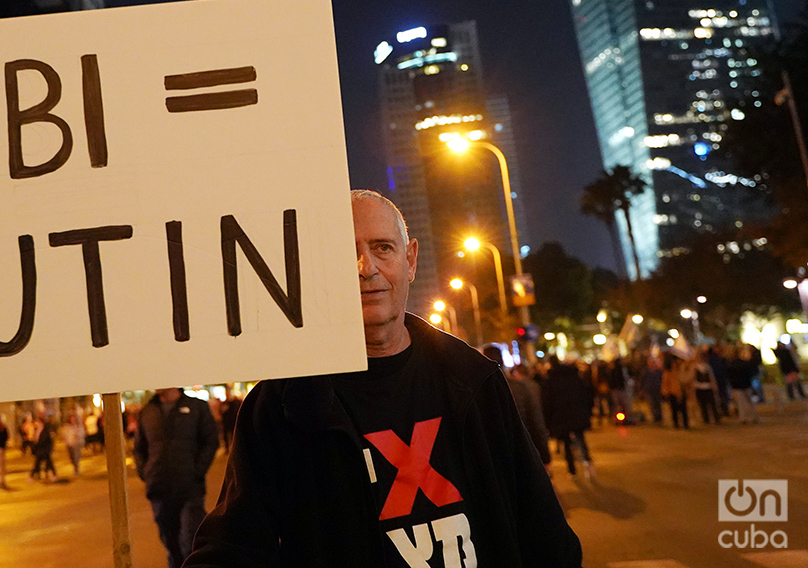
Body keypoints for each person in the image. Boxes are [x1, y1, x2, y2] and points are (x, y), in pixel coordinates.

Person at [186, 190, 581, 567]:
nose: (366, 267)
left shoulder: (473, 380)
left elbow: (542, 531)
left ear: (410, 260)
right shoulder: (280, 405)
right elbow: (233, 548)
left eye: (382, 248)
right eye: (345, 252)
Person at [135, 388, 219, 568]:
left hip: (190, 487)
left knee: (192, 538)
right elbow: (139, 448)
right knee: (170, 542)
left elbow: (210, 440)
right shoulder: (148, 411)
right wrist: (146, 472)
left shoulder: (196, 407)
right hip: (159, 487)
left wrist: (197, 470)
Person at [483, 346, 551, 470]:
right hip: (520, 452)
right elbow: (536, 423)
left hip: (490, 461)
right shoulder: (519, 388)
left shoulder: (471, 394)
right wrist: (544, 456)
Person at [541, 357, 595, 479]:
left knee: (566, 443)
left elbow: (547, 403)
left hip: (561, 416)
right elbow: (587, 394)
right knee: (580, 438)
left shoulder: (551, 381)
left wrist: (548, 421)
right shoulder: (576, 378)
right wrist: (588, 411)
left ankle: (572, 470)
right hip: (577, 414)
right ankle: (587, 462)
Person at [691, 349, 721, 425]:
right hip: (699, 387)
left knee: (712, 403)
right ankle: (706, 419)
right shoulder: (694, 367)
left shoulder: (707, 366)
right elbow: (692, 378)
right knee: (703, 404)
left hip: (708, 387)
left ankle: (716, 417)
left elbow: (711, 376)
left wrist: (713, 384)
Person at [661, 354, 690, 429]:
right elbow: (665, 384)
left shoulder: (680, 372)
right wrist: (665, 392)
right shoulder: (668, 373)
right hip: (672, 393)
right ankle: (676, 423)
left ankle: (685, 424)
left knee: (683, 409)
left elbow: (685, 380)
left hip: (681, 392)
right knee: (674, 409)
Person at [773, 336, 805, 400]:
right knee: (794, 382)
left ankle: (793, 395)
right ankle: (796, 395)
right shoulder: (784, 352)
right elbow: (790, 361)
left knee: (793, 383)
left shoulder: (783, 352)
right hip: (789, 370)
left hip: (788, 370)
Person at [29, 412, 57, 482]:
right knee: (44, 463)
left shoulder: (45, 429)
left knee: (43, 463)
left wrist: (36, 445)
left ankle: (33, 476)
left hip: (44, 449)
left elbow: (44, 439)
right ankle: (50, 475)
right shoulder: (38, 429)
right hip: (41, 449)